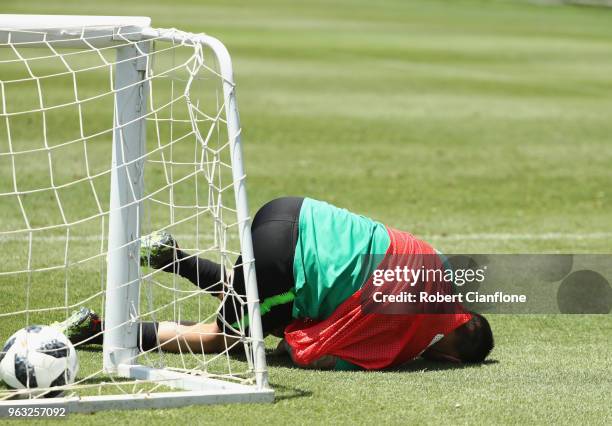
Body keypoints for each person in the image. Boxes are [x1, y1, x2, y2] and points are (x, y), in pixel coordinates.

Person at [57, 197, 493, 370]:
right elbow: (311, 353)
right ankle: (101, 329)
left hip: (289, 210)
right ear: (451, 356)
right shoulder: (415, 333)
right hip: (286, 263)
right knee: (228, 338)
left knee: (249, 296)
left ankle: (171, 255)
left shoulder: (439, 266)